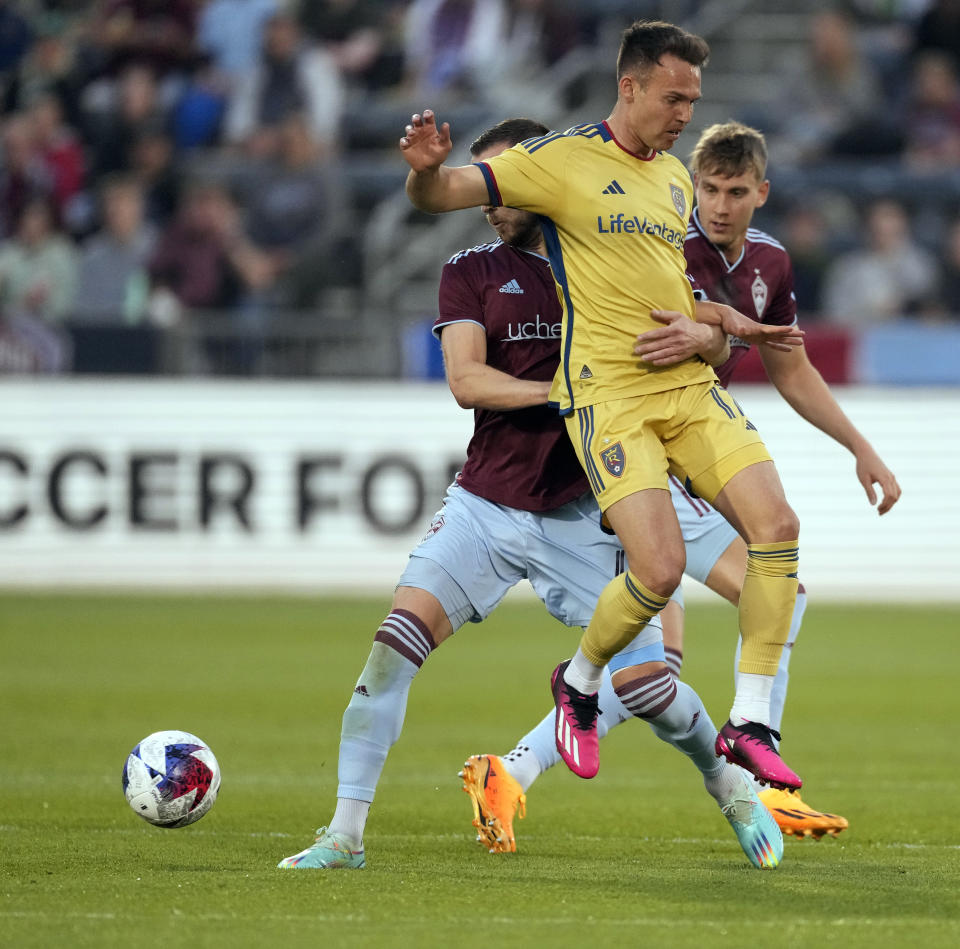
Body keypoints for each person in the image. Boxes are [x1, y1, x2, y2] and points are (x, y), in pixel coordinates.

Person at [277, 118, 784, 871]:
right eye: (482, 182)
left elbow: (695, 340)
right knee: (390, 648)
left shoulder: (611, 260)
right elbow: (464, 380)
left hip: (585, 509)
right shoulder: (471, 270)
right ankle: (344, 836)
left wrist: (706, 348)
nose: (492, 197)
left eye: (503, 179)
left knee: (649, 687)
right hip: (486, 505)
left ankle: (731, 786)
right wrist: (573, 388)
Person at [462, 121, 903, 850]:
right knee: (672, 656)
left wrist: (858, 445)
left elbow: (789, 364)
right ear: (690, 187)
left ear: (761, 193)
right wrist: (715, 333)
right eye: (710, 190)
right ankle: (743, 769)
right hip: (636, 457)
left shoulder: (769, 263)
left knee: (721, 629)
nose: (721, 205)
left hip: (688, 460)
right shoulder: (659, 233)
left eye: (736, 192)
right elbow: (644, 320)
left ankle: (521, 769)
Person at [399, 20, 808, 792]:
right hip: (611, 397)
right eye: (673, 97)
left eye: (694, 99)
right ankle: (580, 682)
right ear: (629, 86)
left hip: (683, 385)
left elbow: (670, 289)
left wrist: (714, 329)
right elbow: (446, 192)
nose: (686, 114)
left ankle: (752, 722)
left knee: (778, 529)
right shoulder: (559, 161)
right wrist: (425, 173)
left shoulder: (673, 181)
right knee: (659, 567)